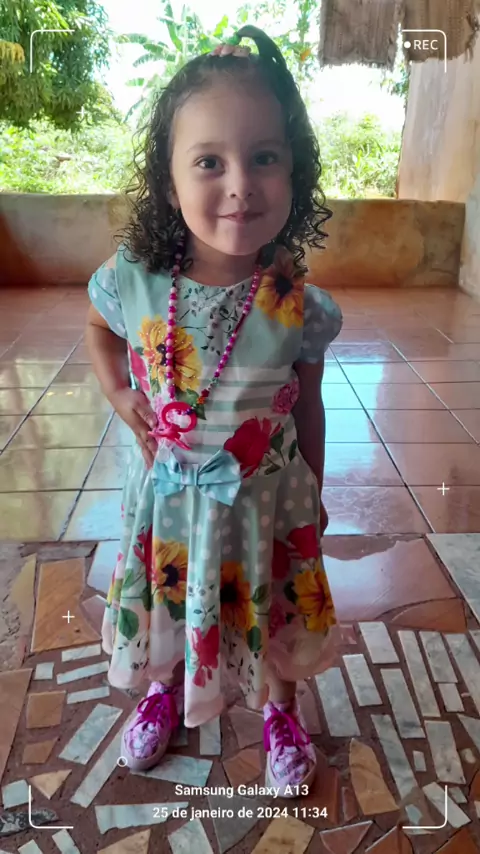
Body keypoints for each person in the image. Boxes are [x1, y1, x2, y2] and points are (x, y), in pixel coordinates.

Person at [85, 25, 343, 797]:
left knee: (274, 611)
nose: (240, 185)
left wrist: (316, 491)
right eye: (209, 161)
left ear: (295, 172)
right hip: (168, 502)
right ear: (169, 183)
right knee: (172, 602)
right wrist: (119, 392)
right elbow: (98, 329)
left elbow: (310, 405)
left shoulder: (294, 301)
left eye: (264, 157)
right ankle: (163, 689)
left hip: (267, 501)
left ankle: (281, 711)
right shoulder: (133, 279)